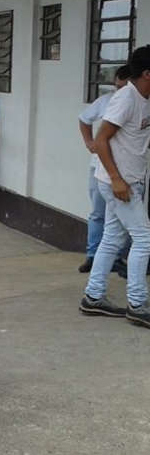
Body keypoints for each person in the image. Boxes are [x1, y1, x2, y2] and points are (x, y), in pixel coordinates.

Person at [80, 45, 150, 328]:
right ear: (147, 74)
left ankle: (93, 297)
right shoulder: (126, 99)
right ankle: (137, 304)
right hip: (120, 183)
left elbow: (135, 138)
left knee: (111, 239)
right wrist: (117, 179)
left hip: (130, 180)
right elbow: (101, 139)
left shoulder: (144, 99)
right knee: (144, 238)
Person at [77, 65, 131, 274]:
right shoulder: (107, 101)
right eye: (117, 87)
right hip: (99, 168)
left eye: (124, 88)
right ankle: (92, 255)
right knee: (98, 214)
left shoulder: (140, 104)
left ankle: (116, 258)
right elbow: (84, 119)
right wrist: (89, 142)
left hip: (127, 170)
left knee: (121, 217)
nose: (119, 92)